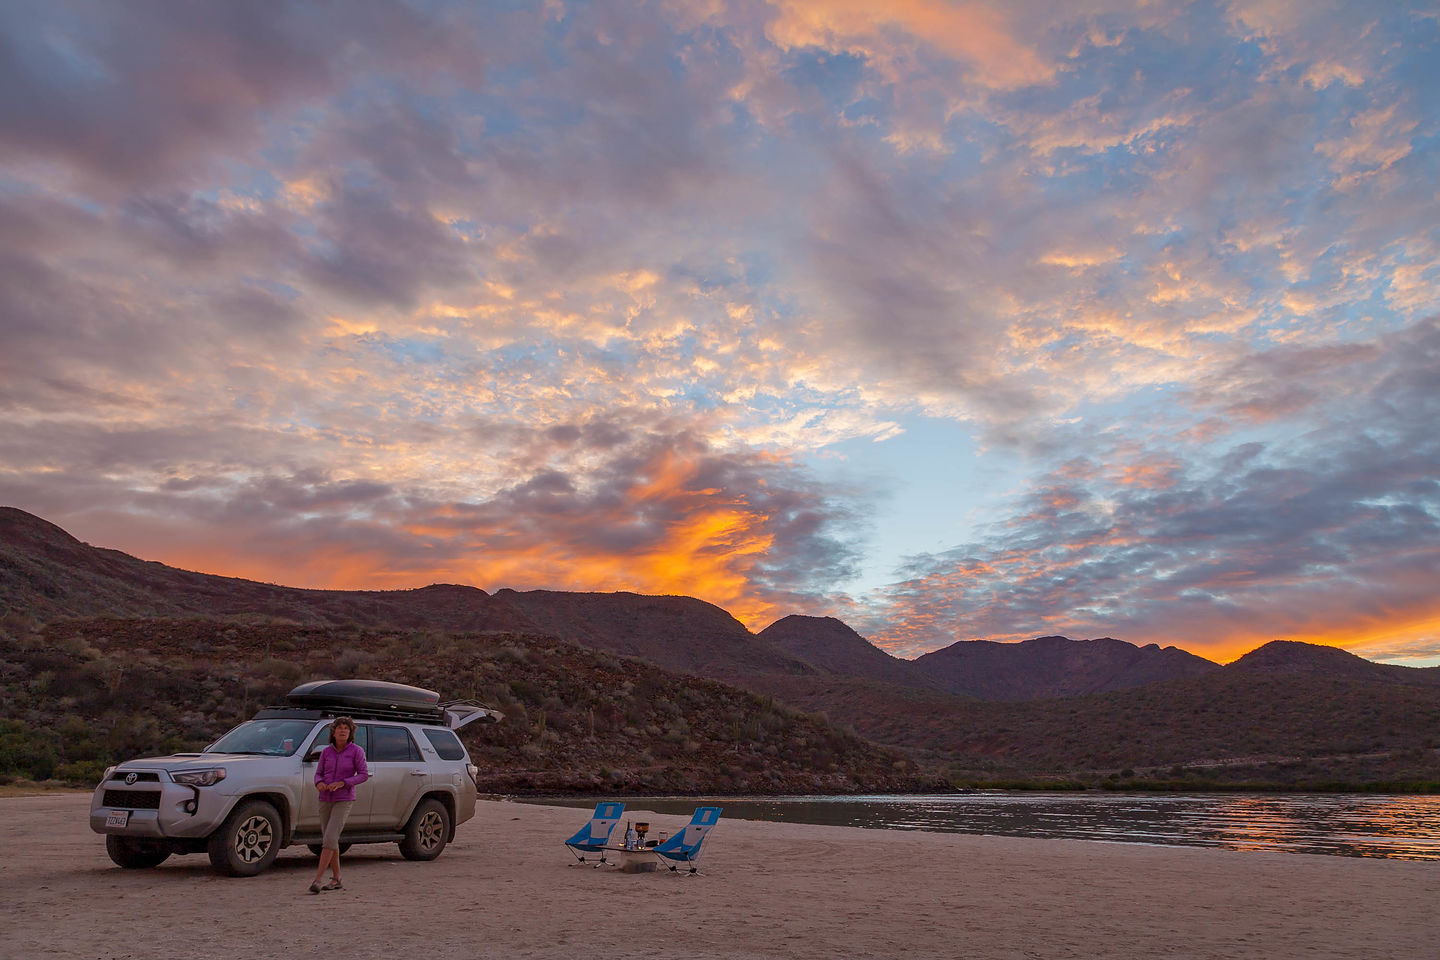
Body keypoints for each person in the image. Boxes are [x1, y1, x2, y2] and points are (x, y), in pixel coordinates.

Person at [310, 716, 367, 893]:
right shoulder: (326, 752)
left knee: (329, 839)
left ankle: (317, 880)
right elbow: (318, 773)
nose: (342, 730)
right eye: (339, 728)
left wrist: (343, 782)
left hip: (344, 799)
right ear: (333, 732)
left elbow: (363, 774)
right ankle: (337, 878)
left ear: (350, 733)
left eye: (346, 728)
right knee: (330, 840)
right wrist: (319, 783)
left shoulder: (356, 751)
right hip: (325, 799)